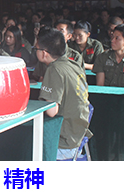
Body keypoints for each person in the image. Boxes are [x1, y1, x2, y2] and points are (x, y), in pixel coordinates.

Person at [36, 27, 92, 161]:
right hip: (78, 134)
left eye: (35, 49)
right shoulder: (72, 64)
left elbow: (51, 111)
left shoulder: (54, 69)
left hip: (63, 143)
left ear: (44, 53)